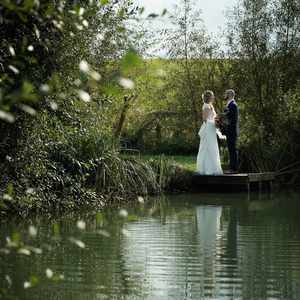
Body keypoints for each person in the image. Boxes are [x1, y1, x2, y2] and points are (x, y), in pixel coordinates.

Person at [196, 90, 225, 175]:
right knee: (207, 147)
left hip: (211, 129)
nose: (213, 97)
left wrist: (217, 121)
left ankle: (213, 169)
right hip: (208, 129)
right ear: (209, 97)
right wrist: (214, 122)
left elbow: (213, 117)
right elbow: (205, 119)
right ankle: (203, 169)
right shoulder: (206, 106)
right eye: (212, 96)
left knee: (213, 148)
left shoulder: (210, 105)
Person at [221, 89, 239, 174]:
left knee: (233, 149)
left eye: (226, 94)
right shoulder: (229, 104)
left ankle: (234, 169)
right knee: (231, 149)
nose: (225, 95)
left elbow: (233, 120)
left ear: (230, 95)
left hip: (232, 131)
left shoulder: (233, 105)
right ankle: (232, 168)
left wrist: (223, 120)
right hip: (229, 131)